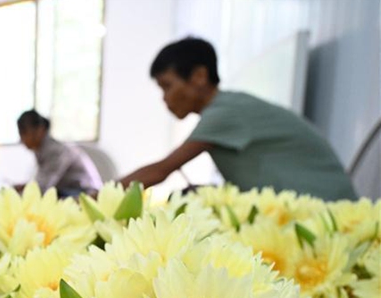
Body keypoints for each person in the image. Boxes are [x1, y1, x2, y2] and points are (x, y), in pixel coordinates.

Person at [120, 37, 357, 201]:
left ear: (200, 76)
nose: (165, 98)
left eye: (167, 86)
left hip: (328, 209)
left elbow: (160, 171)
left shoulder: (224, 113)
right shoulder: (230, 105)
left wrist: (94, 198)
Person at [16, 110, 102, 197]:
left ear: (40, 130)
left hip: (86, 193)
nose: (21, 139)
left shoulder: (55, 151)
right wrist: (25, 187)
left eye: (24, 133)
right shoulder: (41, 150)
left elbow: (43, 187)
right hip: (67, 190)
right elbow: (41, 182)